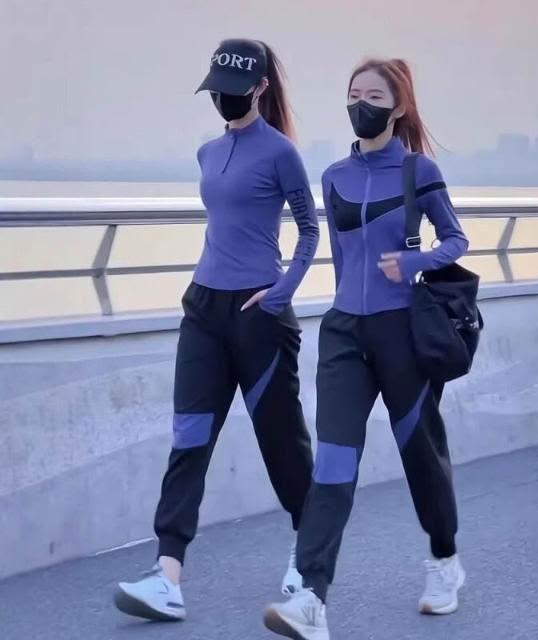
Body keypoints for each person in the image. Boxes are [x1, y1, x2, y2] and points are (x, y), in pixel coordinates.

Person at [263, 58, 469, 640]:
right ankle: (311, 599)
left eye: (374, 96)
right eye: (354, 94)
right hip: (344, 333)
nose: (361, 104)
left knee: (421, 455)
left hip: (402, 333)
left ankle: (445, 562)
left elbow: (456, 239)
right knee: (332, 462)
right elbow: (339, 256)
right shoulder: (333, 176)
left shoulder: (418, 171)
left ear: (398, 107)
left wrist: (413, 260)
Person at [114, 39, 319, 622]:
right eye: (216, 91)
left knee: (282, 442)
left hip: (260, 314)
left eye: (233, 91)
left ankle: (310, 553)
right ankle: (167, 576)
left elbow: (309, 230)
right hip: (203, 310)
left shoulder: (281, 153)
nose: (223, 100)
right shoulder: (207, 153)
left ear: (259, 88)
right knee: (189, 439)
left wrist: (281, 291)